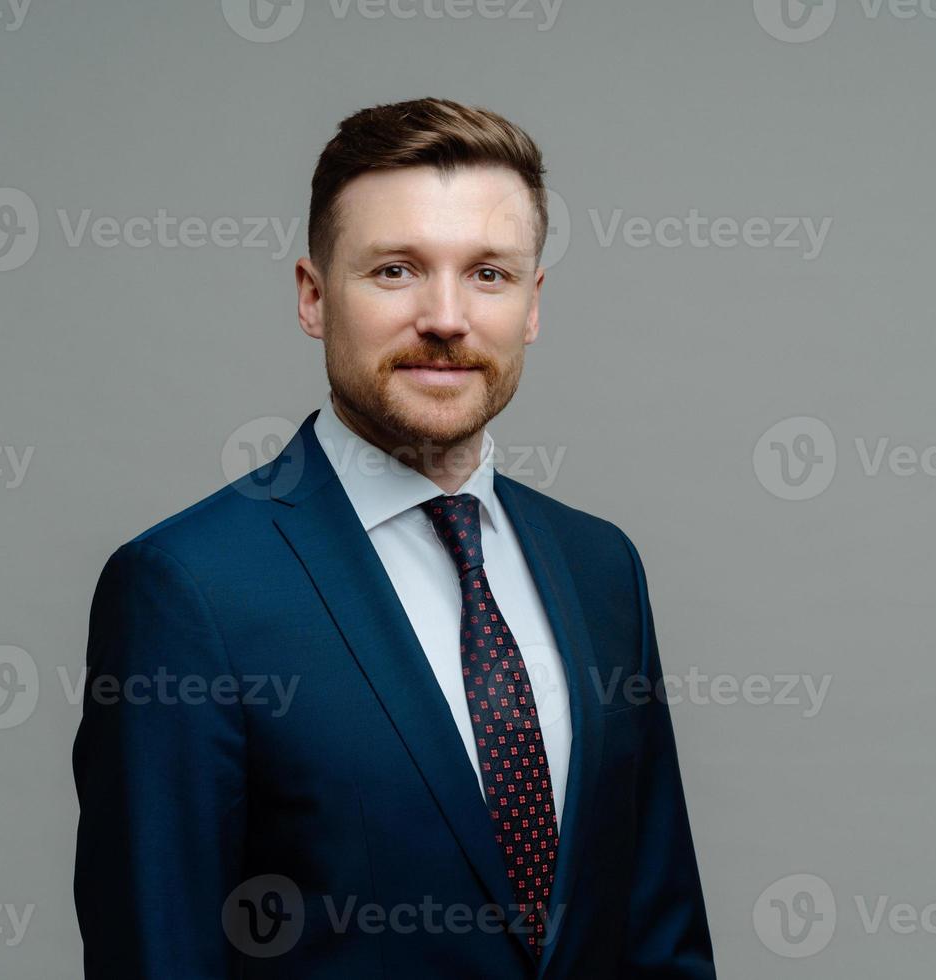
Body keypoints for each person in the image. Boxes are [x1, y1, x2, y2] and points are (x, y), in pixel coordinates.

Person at [72, 96, 716, 978]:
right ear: (312, 296)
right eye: (396, 271)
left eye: (488, 274)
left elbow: (659, 932)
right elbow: (158, 950)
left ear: (533, 304)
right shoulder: (188, 590)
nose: (446, 318)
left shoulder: (602, 567)